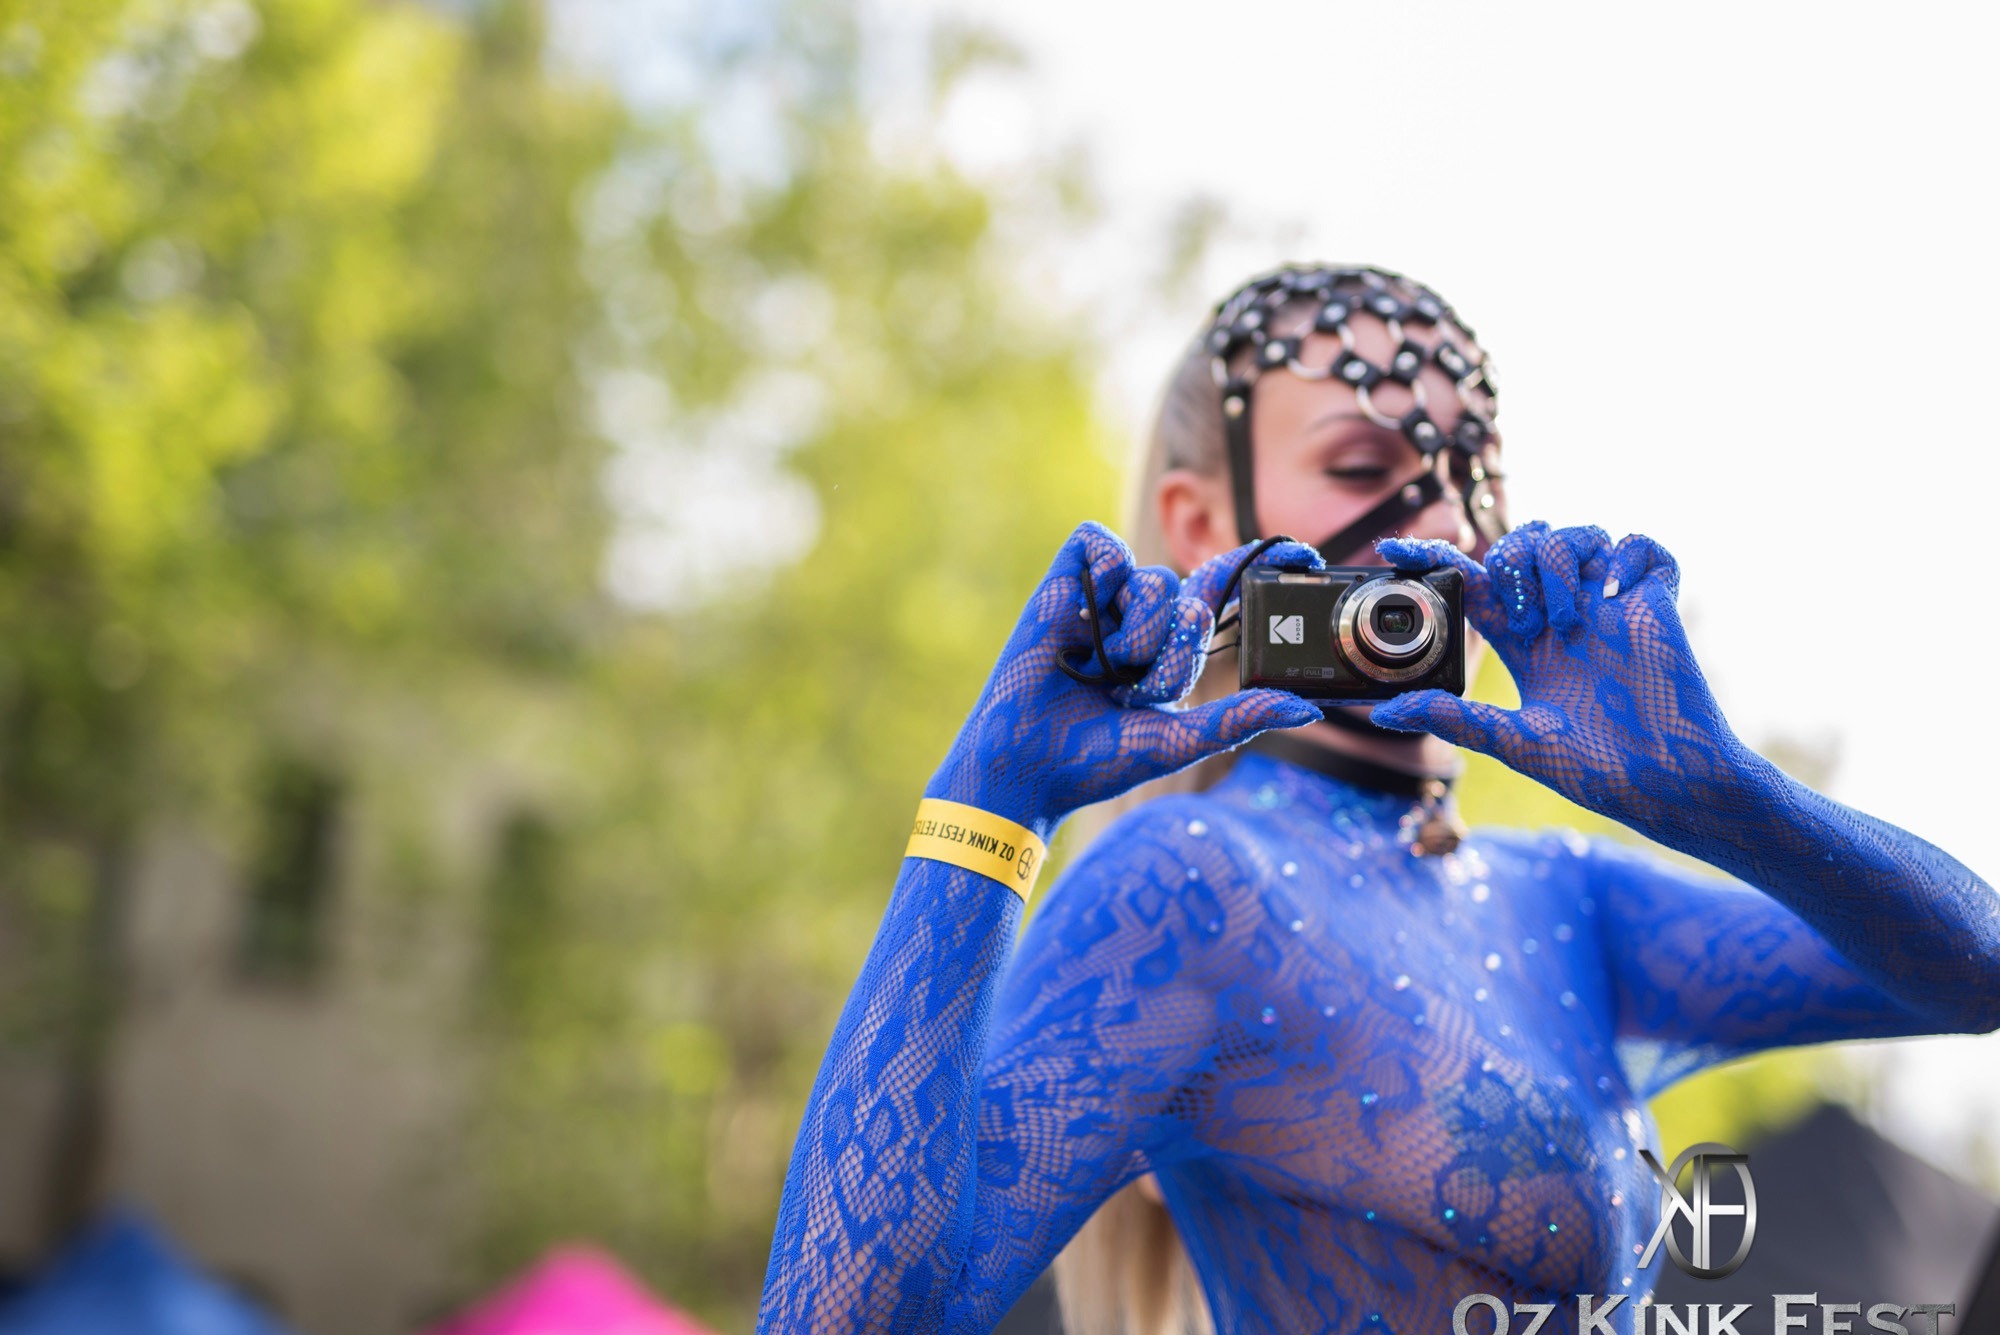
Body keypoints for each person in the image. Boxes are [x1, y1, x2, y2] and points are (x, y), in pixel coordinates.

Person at [755, 265, 2000, 1335]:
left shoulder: (1564, 896)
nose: (1443, 517)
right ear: (1199, 525)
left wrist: (1722, 795)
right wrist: (986, 808)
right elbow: (838, 1320)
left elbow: (1976, 971)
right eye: (1363, 465)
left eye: (1473, 470)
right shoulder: (1183, 886)